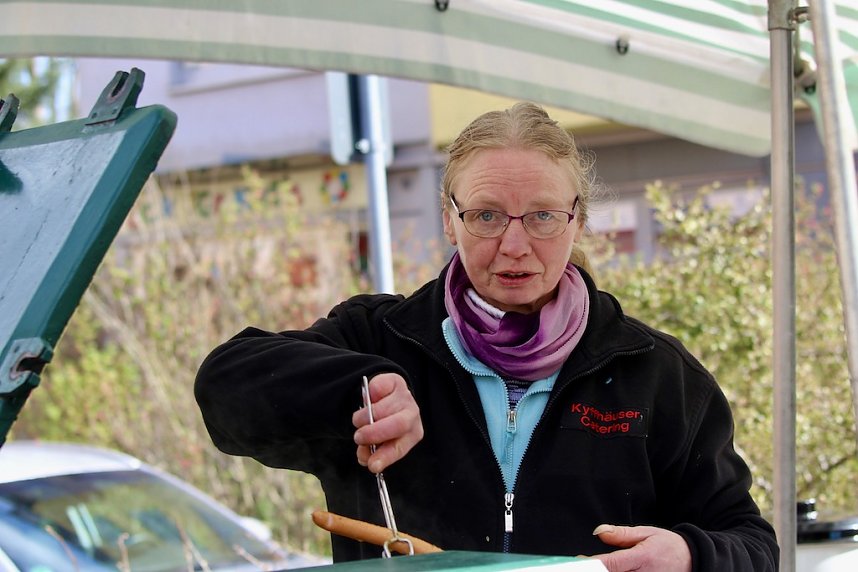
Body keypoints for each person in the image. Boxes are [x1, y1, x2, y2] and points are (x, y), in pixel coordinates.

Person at [194, 102, 779, 571]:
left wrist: (691, 555)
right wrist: (357, 387)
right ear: (450, 218)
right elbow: (224, 387)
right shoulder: (378, 339)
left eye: (543, 215)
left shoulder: (655, 374)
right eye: (487, 215)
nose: (516, 245)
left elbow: (751, 542)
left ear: (577, 219)